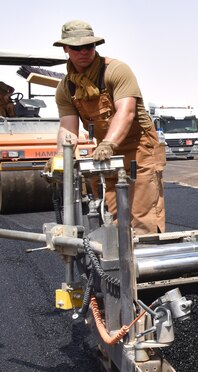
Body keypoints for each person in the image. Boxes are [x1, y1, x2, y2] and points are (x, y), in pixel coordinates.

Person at [52, 20, 165, 234]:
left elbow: (127, 112)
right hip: (105, 153)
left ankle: (147, 264)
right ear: (65, 49)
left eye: (89, 46)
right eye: (77, 48)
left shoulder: (115, 71)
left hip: (139, 148)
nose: (84, 52)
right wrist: (61, 158)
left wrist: (109, 143)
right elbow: (68, 128)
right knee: (110, 217)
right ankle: (117, 263)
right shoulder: (66, 87)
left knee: (141, 215)